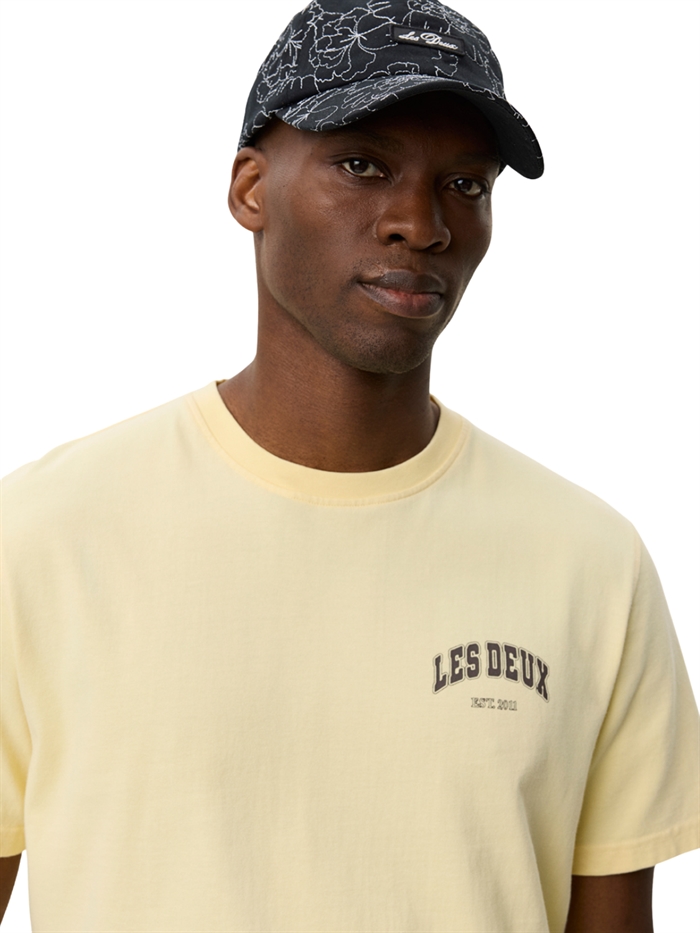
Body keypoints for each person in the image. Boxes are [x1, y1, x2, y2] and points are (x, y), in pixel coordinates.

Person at [1, 0, 697, 930]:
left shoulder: (593, 564)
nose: (420, 222)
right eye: (363, 165)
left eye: (465, 184)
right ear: (251, 188)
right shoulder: (43, 537)